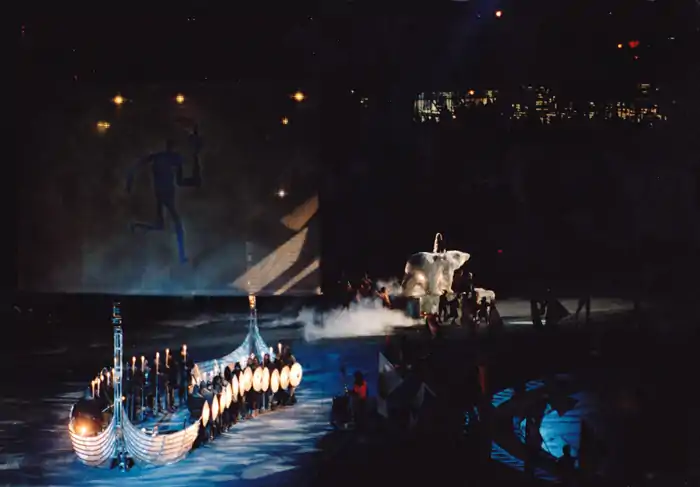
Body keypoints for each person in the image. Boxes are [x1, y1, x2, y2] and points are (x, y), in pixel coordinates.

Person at [126, 135, 202, 264]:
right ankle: (181, 256)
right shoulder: (166, 158)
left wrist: (130, 177)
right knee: (175, 224)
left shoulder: (164, 158)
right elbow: (181, 180)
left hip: (163, 192)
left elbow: (181, 180)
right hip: (165, 192)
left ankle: (137, 225)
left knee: (161, 224)